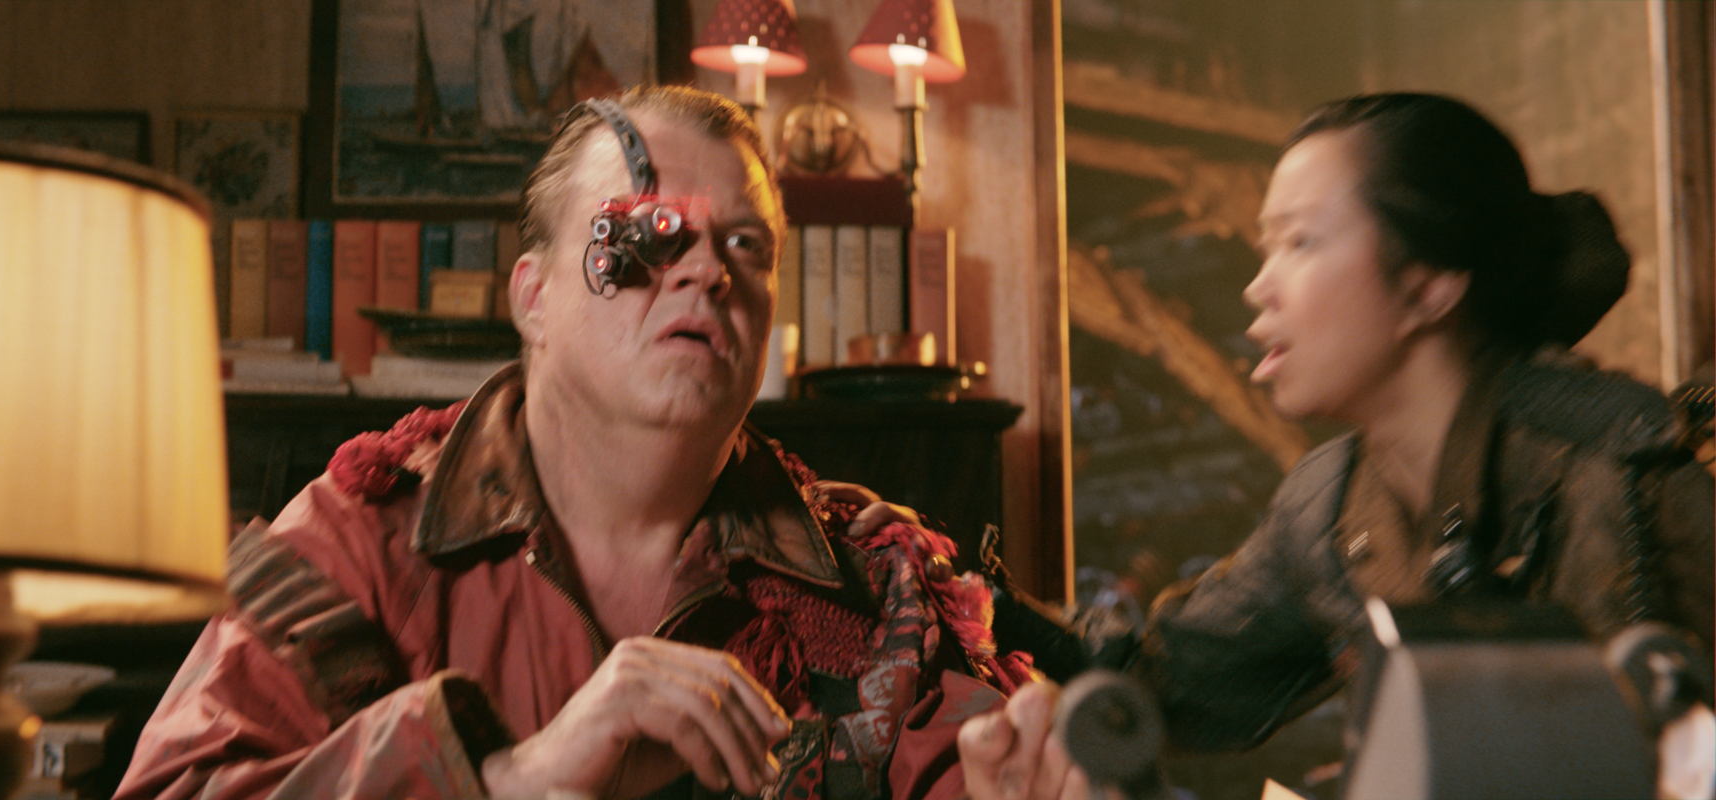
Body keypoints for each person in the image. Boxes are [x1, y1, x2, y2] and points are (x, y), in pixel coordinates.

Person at [115, 86, 1093, 800]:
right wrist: (508, 776)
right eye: (649, 236)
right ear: (534, 297)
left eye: (746, 247)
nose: (708, 271)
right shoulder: (352, 546)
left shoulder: (873, 583)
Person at [1133, 92, 1715, 759]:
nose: (1258, 287)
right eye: (1269, 247)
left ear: (1428, 285)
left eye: (1300, 241)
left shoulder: (1634, 470)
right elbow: (1164, 683)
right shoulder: (1330, 507)